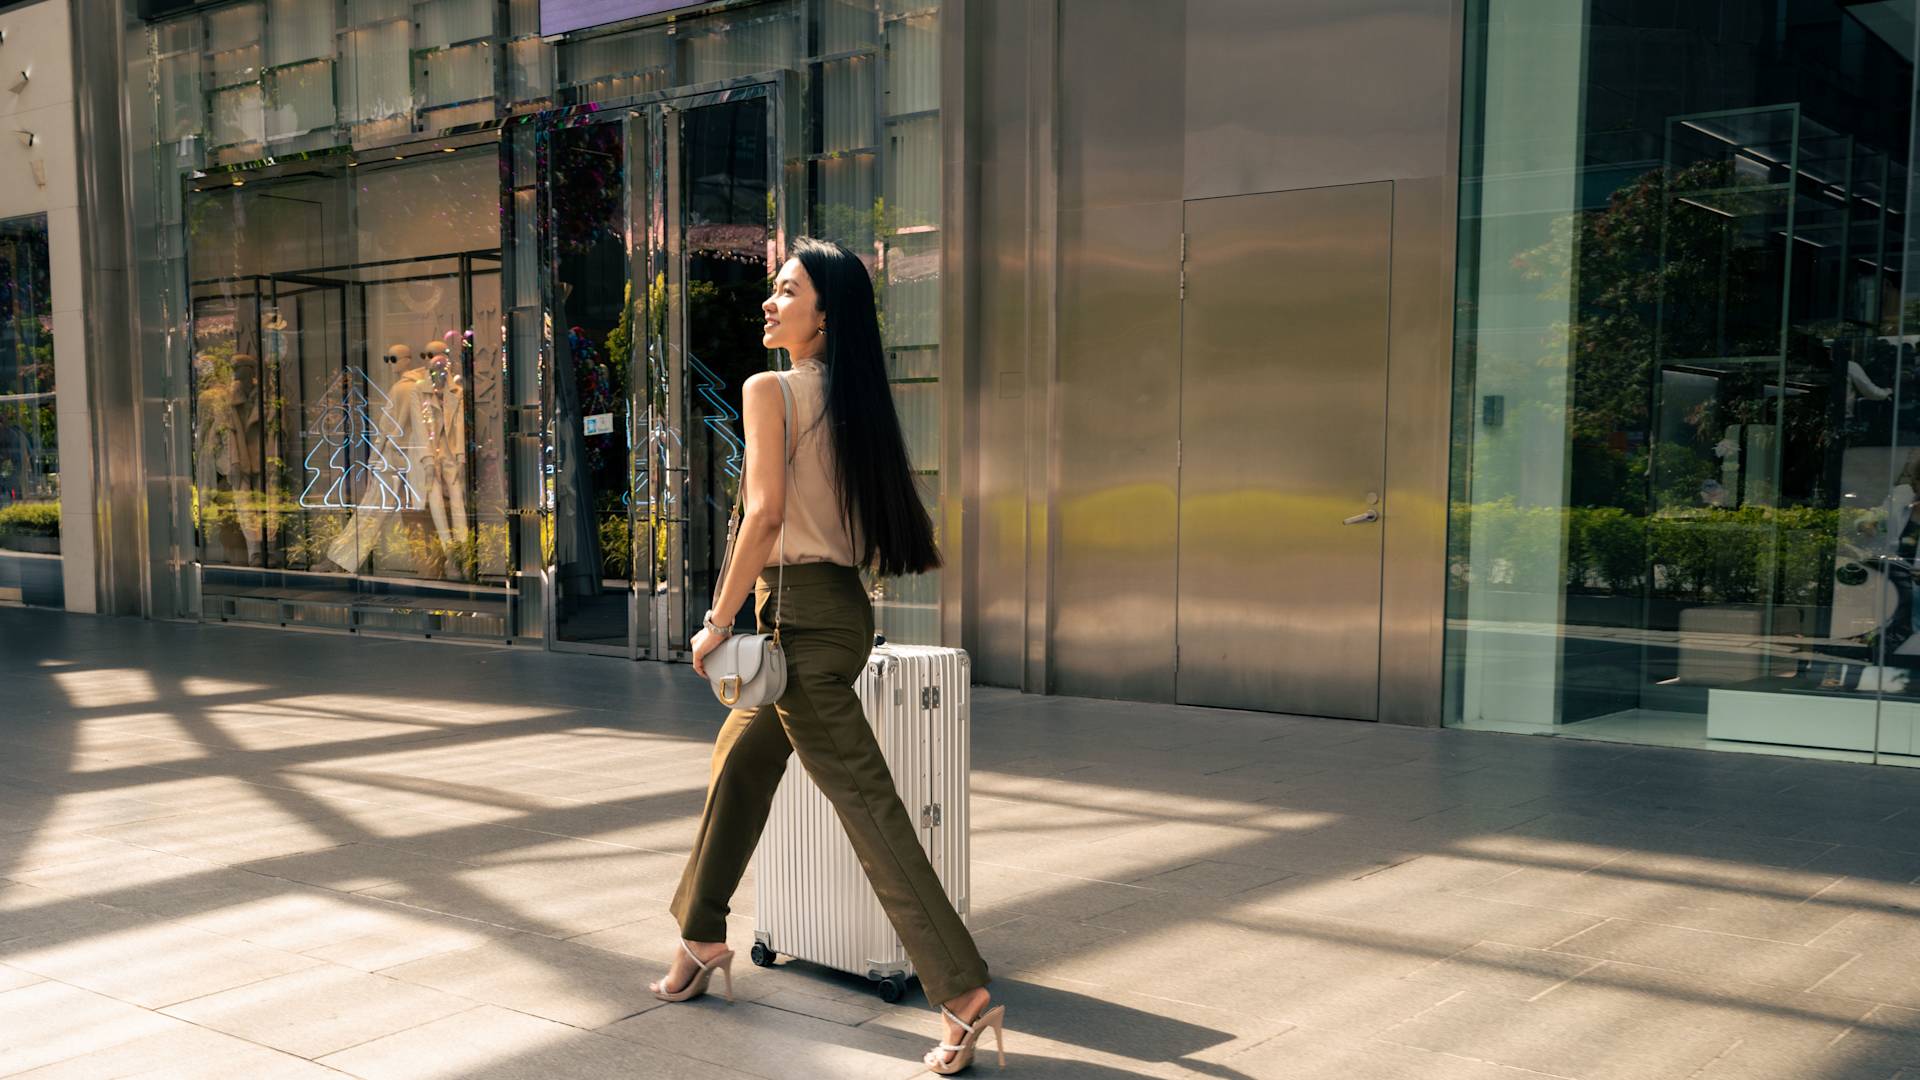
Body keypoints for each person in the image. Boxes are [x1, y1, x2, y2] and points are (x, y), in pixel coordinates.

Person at [649, 237, 1007, 1074]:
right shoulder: (855, 403)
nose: (768, 303)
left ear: (825, 312)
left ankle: (961, 992)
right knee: (738, 766)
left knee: (867, 805)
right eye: (772, 290)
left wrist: (713, 619)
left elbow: (764, 519)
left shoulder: (768, 388)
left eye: (785, 290)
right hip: (835, 612)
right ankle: (700, 935)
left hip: (797, 623)